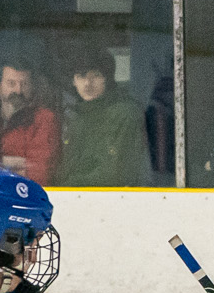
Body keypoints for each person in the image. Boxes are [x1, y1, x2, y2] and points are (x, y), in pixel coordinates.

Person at [59, 48, 148, 188]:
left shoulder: (124, 113)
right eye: (81, 76)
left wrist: (67, 187)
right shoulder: (76, 117)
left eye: (96, 75)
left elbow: (114, 175)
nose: (88, 83)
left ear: (108, 79)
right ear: (74, 81)